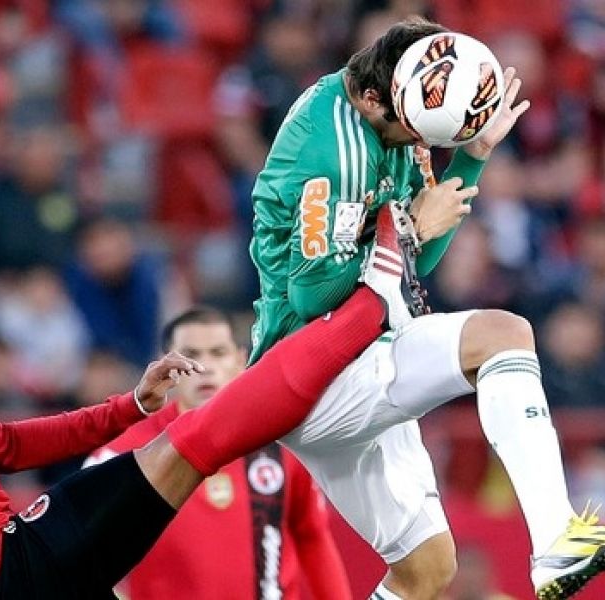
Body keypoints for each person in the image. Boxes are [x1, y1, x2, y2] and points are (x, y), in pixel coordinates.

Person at [172, 16, 603, 600]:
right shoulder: (332, 152)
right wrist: (406, 231)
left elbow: (418, 261)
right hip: (315, 366)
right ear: (376, 99)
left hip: (352, 362)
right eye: (415, 133)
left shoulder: (404, 112)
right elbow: (312, 296)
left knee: (427, 570)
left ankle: (554, 547)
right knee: (502, 333)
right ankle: (555, 540)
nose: (419, 144)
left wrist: (472, 157)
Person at [0, 229, 417, 599]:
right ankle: (371, 305)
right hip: (6, 580)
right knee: (201, 436)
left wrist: (128, 406)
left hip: (2, 567)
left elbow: (6, 445)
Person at [86, 306, 352, 599]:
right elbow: (78, 553)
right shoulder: (124, 454)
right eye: (190, 355)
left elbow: (313, 537)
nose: (205, 367)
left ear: (240, 360)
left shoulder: (282, 439)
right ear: (166, 368)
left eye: (218, 353)